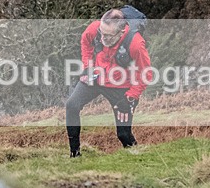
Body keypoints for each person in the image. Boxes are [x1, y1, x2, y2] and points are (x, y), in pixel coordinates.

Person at [65, 9, 152, 157]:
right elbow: (86, 41)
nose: (102, 38)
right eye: (101, 32)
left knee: (123, 135)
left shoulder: (136, 43)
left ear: (121, 31)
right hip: (97, 77)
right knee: (71, 105)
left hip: (122, 87)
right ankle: (75, 154)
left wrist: (130, 97)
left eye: (108, 35)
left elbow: (146, 74)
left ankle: (138, 157)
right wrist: (87, 66)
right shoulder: (96, 28)